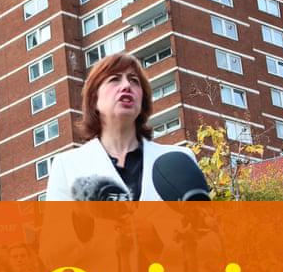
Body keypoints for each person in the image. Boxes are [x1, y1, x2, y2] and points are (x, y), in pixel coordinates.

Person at [46, 52, 198, 201]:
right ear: (94, 99)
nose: (126, 85)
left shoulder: (181, 161)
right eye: (114, 79)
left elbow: (201, 223)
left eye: (134, 80)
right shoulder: (67, 166)